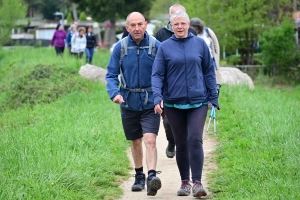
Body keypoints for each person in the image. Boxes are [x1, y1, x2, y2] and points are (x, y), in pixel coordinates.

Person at [152, 10, 219, 197]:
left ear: (189, 25)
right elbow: (157, 74)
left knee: (195, 139)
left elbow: (208, 71)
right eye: (176, 24)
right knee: (181, 143)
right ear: (171, 27)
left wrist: (213, 97)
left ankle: (197, 183)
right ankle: (184, 183)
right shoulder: (164, 47)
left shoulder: (200, 44)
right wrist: (157, 98)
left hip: (198, 101)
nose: (180, 27)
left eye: (183, 23)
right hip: (173, 103)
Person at [106, 12, 162, 196]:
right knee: (135, 141)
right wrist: (115, 94)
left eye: (140, 24)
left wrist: (161, 97)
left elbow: (165, 74)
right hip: (128, 102)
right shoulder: (120, 48)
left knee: (150, 139)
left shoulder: (155, 46)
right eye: (133, 25)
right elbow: (111, 75)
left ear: (145, 24)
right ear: (127, 27)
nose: (137, 28)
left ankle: (151, 177)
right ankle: (139, 175)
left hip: (151, 102)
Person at [155, 4, 197, 159]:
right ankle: (171, 141)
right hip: (168, 87)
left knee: (188, 121)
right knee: (168, 123)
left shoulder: (191, 33)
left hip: (189, 87)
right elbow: (157, 63)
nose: (178, 21)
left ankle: (185, 148)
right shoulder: (161, 34)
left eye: (181, 15)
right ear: (169, 19)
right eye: (175, 16)